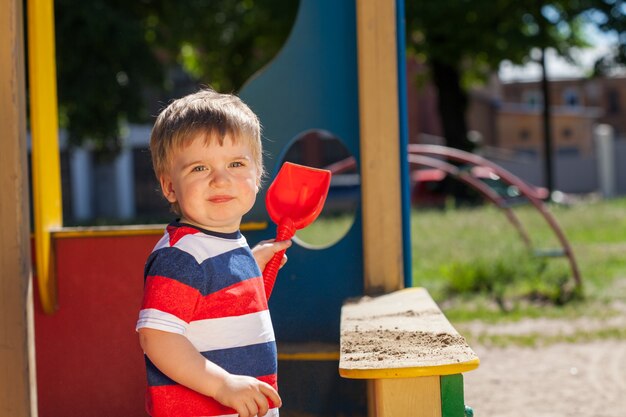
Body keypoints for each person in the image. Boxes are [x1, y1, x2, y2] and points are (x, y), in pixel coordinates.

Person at [136, 88, 291, 417]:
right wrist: (223, 385)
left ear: (258, 174)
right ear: (169, 187)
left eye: (235, 163)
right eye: (199, 169)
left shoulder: (228, 245)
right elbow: (158, 337)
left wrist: (250, 268)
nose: (221, 180)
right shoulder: (182, 257)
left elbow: (217, 315)